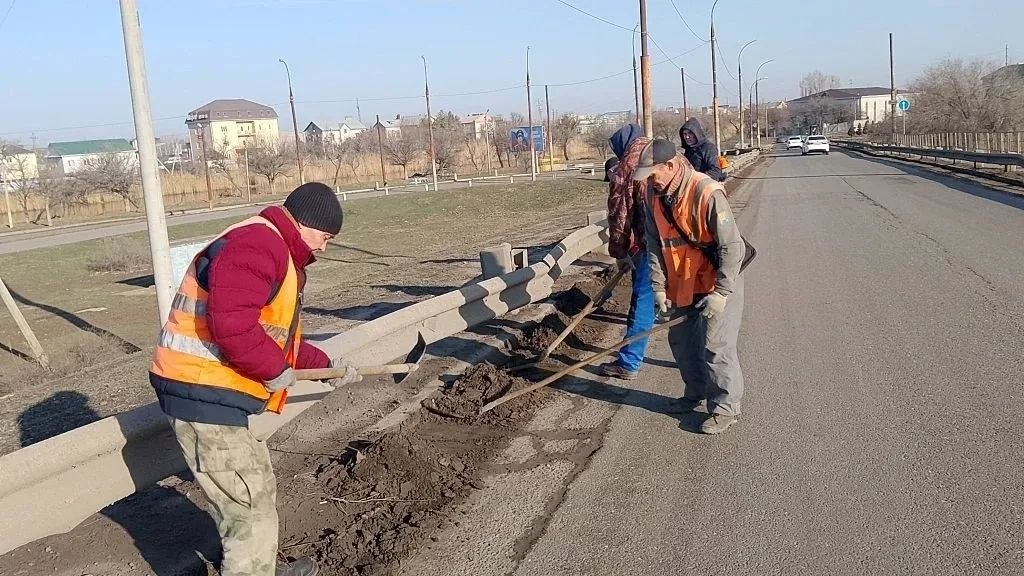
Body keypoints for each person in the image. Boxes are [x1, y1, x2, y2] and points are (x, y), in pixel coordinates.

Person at [149, 182, 360, 576]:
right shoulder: (258, 245)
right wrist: (272, 370)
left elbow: (274, 339)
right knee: (248, 509)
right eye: (326, 237)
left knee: (256, 492)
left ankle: (260, 567)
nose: (324, 248)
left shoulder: (273, 248)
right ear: (305, 223)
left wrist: (326, 364)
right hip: (202, 393)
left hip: (212, 393)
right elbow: (234, 327)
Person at [632, 139, 746, 435]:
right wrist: (658, 287)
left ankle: (725, 408)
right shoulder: (653, 195)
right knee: (682, 342)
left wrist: (721, 293)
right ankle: (694, 393)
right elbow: (654, 246)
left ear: (670, 166)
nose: (650, 181)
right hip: (682, 280)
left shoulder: (706, 191)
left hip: (717, 280)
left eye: (653, 174)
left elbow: (733, 247)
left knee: (715, 345)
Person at [598, 123, 655, 380]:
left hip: (654, 243)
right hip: (683, 239)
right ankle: (696, 361)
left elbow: (619, 215)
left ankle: (629, 362)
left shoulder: (626, 166)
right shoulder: (659, 151)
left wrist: (620, 252)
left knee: (643, 299)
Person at [679, 117, 727, 182]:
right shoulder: (689, 149)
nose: (687, 137)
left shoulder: (708, 148)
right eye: (685, 134)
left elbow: (715, 171)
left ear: (696, 134)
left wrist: (696, 180)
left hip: (705, 184)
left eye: (690, 133)